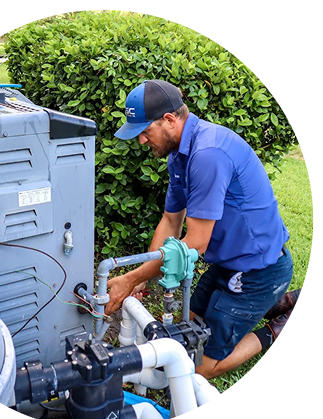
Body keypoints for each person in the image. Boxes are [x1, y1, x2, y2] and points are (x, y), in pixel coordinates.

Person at [105, 79, 299, 379]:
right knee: (189, 324)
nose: (142, 141)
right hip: (227, 263)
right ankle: (280, 303)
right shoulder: (181, 154)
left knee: (201, 368)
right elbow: (171, 221)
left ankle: (276, 329)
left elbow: (194, 244)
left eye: (144, 132)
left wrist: (130, 279)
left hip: (259, 270)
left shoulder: (208, 153)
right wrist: (141, 276)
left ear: (169, 120)